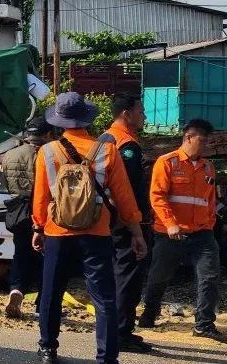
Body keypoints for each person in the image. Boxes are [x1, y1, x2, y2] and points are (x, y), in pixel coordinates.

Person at [33, 92, 147, 364]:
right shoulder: (107, 150)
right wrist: (137, 232)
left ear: (59, 122)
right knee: (103, 296)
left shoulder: (47, 152)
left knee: (51, 291)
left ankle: (48, 348)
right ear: (87, 118)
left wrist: (38, 227)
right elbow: (124, 196)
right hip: (97, 231)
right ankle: (107, 357)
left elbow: (40, 196)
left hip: (57, 231)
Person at [139, 119, 225, 342]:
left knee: (209, 276)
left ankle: (204, 323)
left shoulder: (208, 167)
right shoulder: (167, 162)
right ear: (188, 137)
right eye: (203, 141)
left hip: (202, 233)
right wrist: (170, 224)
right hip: (170, 233)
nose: (206, 145)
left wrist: (210, 223)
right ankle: (149, 313)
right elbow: (157, 197)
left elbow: (209, 200)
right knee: (160, 275)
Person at [100, 94, 152, 353]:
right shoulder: (127, 145)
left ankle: (115, 328)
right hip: (125, 221)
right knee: (127, 276)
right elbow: (127, 190)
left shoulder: (105, 137)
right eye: (141, 111)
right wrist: (135, 228)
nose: (144, 116)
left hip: (107, 219)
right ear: (127, 114)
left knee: (114, 274)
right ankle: (121, 332)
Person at [0, 116, 55, 319]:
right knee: (47, 258)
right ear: (47, 134)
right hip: (45, 212)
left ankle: (16, 289)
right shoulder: (49, 155)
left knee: (20, 253)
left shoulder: (9, 155)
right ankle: (42, 302)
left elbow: (6, 182)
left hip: (18, 211)